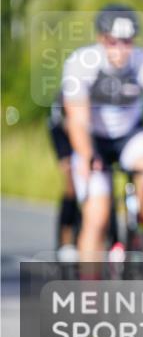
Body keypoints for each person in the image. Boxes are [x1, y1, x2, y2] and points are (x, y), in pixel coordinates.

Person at [61, 4, 143, 265]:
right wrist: (87, 155)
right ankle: (89, 298)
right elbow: (77, 120)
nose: (120, 49)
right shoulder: (80, 63)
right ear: (101, 39)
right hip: (94, 139)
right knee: (97, 217)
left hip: (131, 135)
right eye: (112, 42)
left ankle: (141, 235)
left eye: (126, 41)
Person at [46, 90, 81, 261]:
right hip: (62, 133)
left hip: (86, 133)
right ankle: (65, 239)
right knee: (72, 184)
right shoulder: (68, 93)